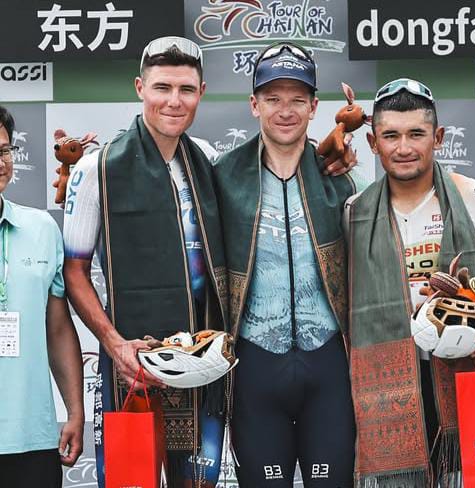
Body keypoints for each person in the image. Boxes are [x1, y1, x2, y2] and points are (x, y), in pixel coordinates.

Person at [344, 78, 475, 487]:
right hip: (387, 385)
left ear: (439, 137)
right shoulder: (354, 211)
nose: (404, 147)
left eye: (416, 134)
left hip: (465, 372)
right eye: (390, 136)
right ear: (373, 143)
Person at [62, 37, 228, 488]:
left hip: (202, 363)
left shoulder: (211, 161)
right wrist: (114, 344)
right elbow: (74, 271)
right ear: (140, 88)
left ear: (201, 92)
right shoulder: (96, 169)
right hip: (130, 363)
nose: (174, 101)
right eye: (162, 87)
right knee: (129, 482)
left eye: (186, 89)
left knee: (199, 484)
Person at [212, 41, 358, 487]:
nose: (285, 111)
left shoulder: (342, 178)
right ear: (254, 104)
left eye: (297, 99)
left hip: (328, 366)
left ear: (314, 107)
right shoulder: (222, 175)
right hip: (255, 364)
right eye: (273, 98)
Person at [0, 105, 84, 486]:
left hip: (33, 440)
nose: (0, 162)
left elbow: (58, 329)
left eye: (4, 150)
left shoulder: (42, 229)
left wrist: (75, 411)